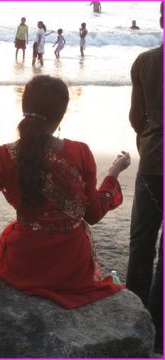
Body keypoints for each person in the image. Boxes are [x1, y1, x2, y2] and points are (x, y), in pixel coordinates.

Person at [0, 75, 131, 309]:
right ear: (61, 114)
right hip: (72, 268)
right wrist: (113, 174)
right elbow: (93, 214)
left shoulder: (5, 155)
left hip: (24, 265)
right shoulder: (81, 152)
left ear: (25, 108)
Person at [126, 3, 163, 354]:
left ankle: (134, 321)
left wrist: (149, 139)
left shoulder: (145, 62)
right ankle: (160, 330)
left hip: (153, 162)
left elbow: (136, 117)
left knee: (141, 244)